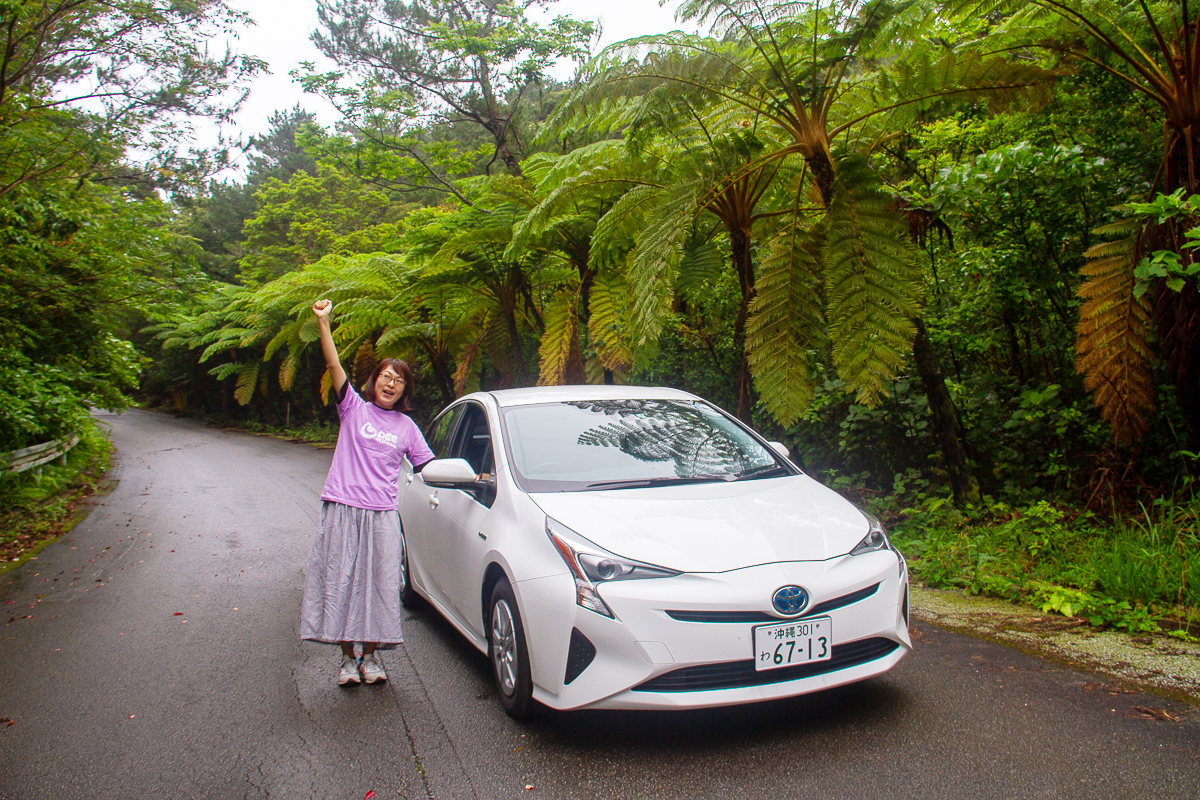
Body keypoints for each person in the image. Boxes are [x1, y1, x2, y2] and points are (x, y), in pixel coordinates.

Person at [300, 298, 434, 686]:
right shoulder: (353, 409)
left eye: (399, 379)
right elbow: (334, 365)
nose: (390, 383)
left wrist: (473, 477)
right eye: (385, 376)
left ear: (405, 389)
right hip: (342, 508)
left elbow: (430, 467)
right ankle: (346, 660)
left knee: (380, 584)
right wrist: (324, 323)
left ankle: (371, 658)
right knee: (341, 580)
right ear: (374, 381)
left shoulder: (408, 428)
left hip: (382, 513)